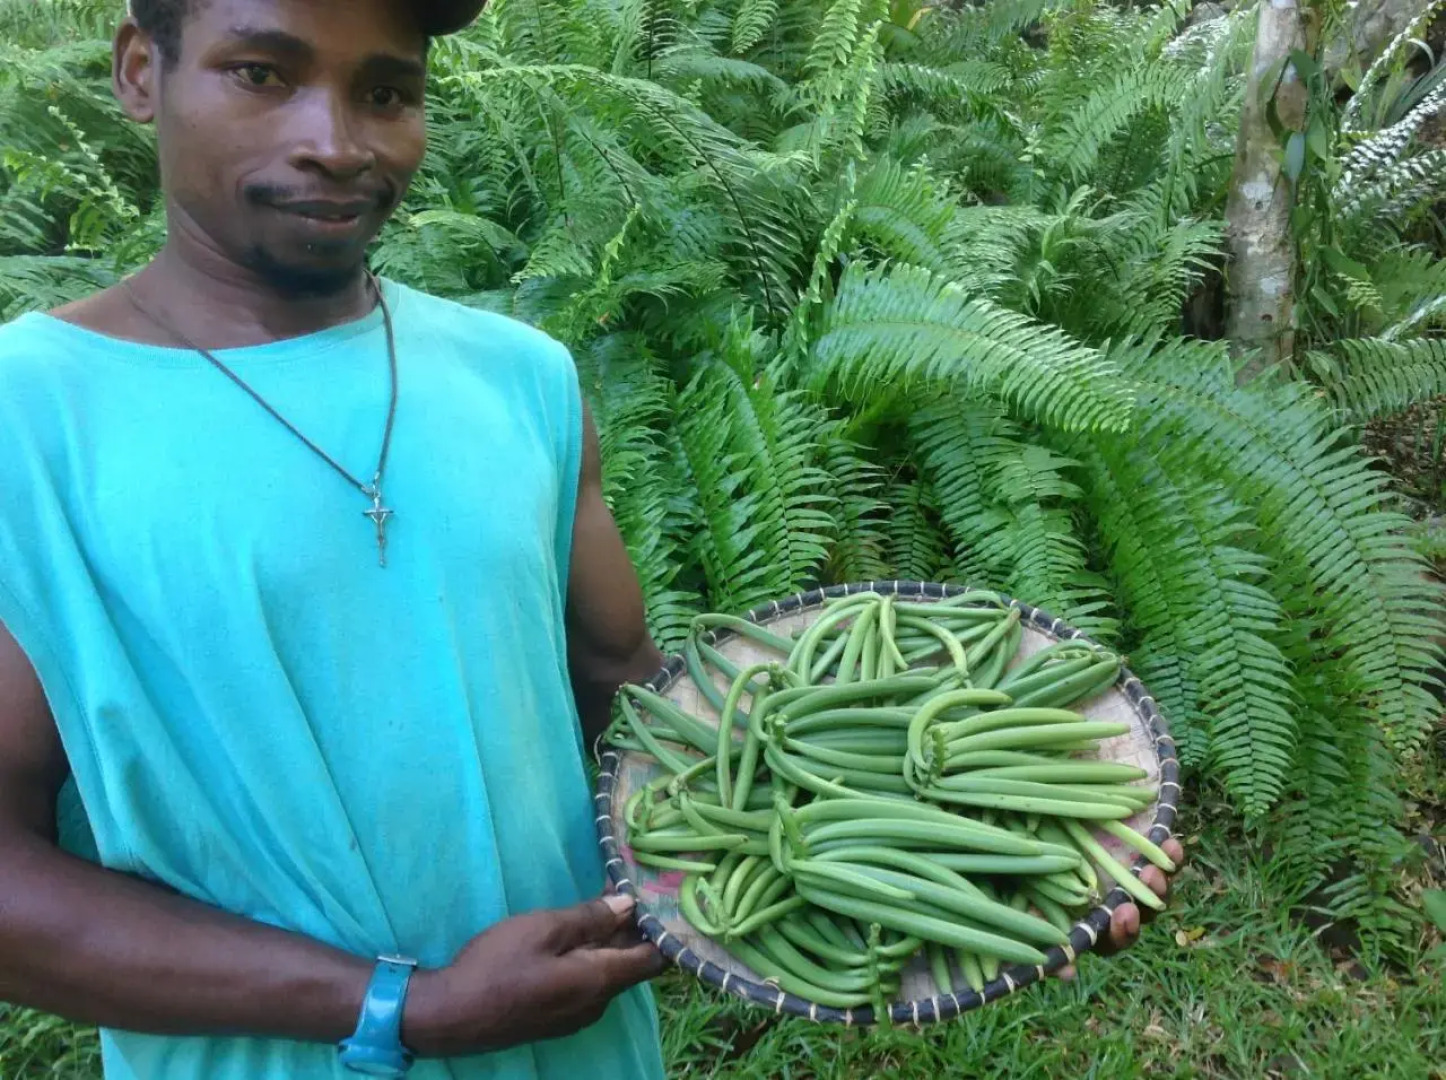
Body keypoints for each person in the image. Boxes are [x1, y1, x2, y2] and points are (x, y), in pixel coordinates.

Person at [0, 0, 1184, 1077]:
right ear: (141, 70)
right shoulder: (31, 419)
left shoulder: (519, 378)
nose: (338, 139)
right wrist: (401, 1006)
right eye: (263, 73)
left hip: (582, 1048)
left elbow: (637, 709)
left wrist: (999, 860)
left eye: (388, 90)